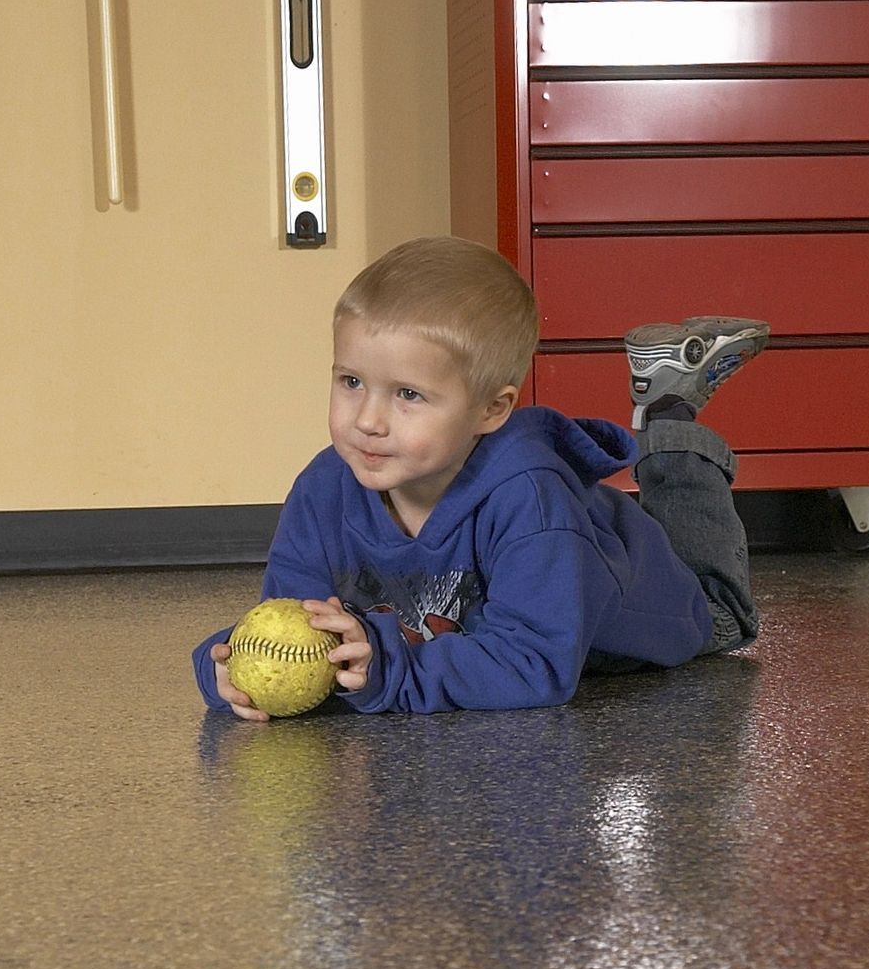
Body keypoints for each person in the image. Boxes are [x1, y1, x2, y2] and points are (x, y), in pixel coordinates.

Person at [191, 235, 764, 719]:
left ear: (491, 410)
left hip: (641, 608)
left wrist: (390, 667)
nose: (367, 420)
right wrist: (227, 665)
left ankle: (669, 413)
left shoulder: (528, 500)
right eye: (351, 382)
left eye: (408, 394)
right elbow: (298, 625)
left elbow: (536, 664)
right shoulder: (324, 488)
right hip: (569, 560)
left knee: (717, 607)